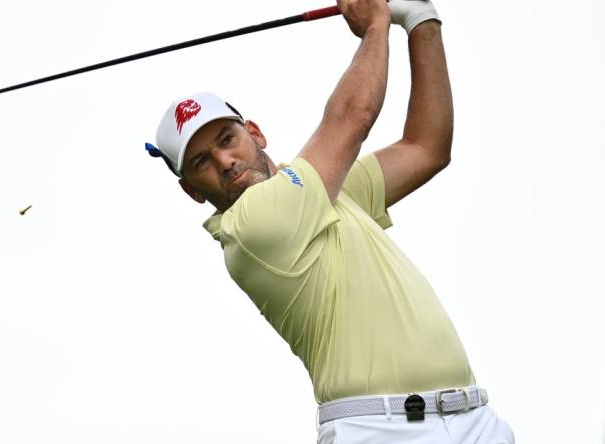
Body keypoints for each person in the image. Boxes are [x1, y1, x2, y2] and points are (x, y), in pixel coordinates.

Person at [146, 0, 515, 442]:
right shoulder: (251, 227)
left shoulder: (326, 193)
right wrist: (377, 24)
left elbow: (426, 147)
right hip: (379, 429)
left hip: (475, 418)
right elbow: (351, 118)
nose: (226, 161)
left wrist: (421, 20)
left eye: (228, 139)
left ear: (255, 134)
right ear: (192, 189)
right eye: (203, 161)